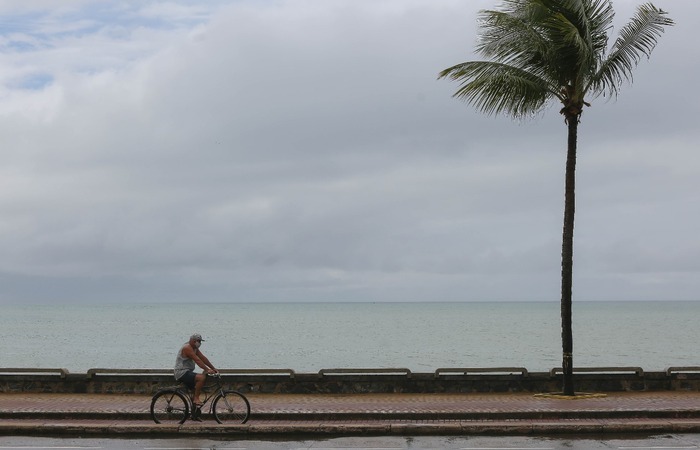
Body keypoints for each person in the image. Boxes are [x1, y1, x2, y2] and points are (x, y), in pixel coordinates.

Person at [174, 334, 218, 408]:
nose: (200, 343)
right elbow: (197, 360)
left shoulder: (194, 348)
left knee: (197, 385)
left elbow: (203, 358)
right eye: (198, 341)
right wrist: (207, 369)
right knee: (201, 378)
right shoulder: (187, 347)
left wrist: (213, 368)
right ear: (193, 341)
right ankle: (196, 399)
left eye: (200, 341)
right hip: (181, 372)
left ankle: (194, 412)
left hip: (187, 372)